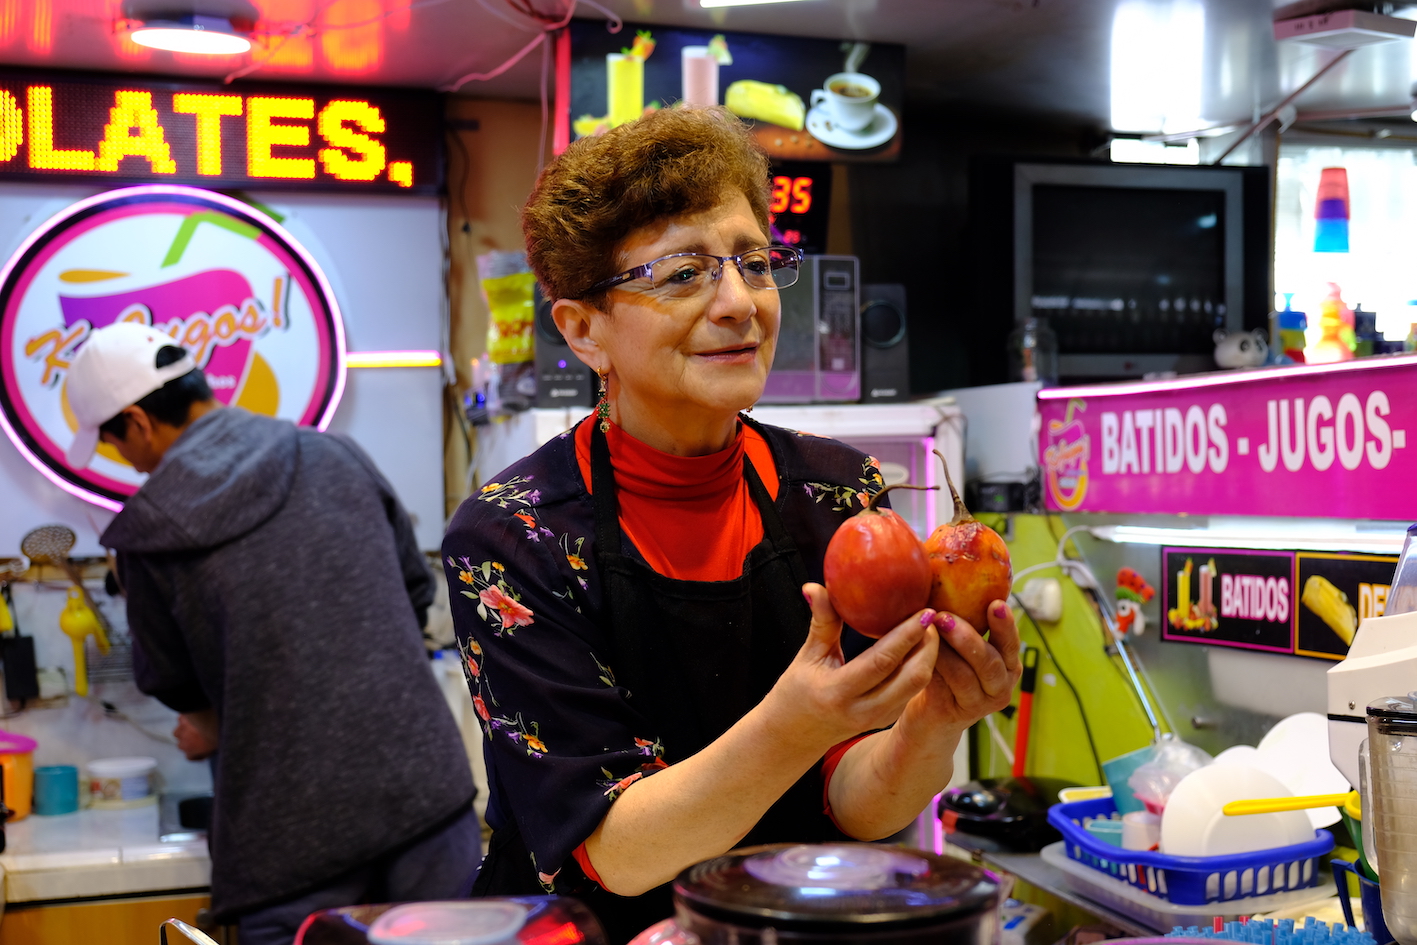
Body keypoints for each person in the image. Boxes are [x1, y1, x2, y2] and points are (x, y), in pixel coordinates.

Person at [442, 106, 1022, 943]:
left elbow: (856, 801)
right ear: (582, 329)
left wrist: (936, 718)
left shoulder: (835, 494)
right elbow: (618, 848)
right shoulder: (514, 537)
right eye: (682, 274)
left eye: (752, 263)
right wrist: (799, 721)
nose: (738, 304)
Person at [65, 322, 479, 945]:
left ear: (139, 422)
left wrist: (226, 720)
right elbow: (414, 592)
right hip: (424, 798)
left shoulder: (147, 538)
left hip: (289, 841)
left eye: (113, 443)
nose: (125, 459)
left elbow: (180, 692)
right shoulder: (333, 452)